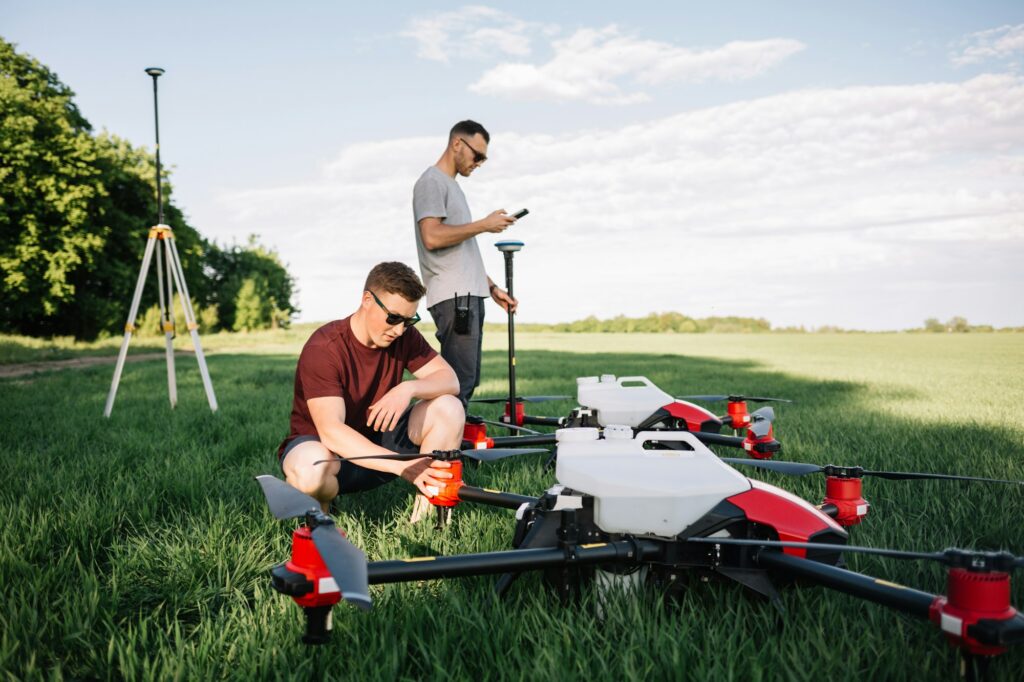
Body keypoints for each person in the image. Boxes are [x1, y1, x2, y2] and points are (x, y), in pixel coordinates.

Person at [277, 261, 465, 520]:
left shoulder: (404, 336)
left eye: (409, 321)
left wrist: (408, 388)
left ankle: (424, 520)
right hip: (328, 451)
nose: (399, 330)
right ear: (367, 300)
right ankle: (322, 515)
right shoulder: (324, 347)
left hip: (380, 441)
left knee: (449, 407)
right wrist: (403, 465)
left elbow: (450, 381)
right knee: (309, 472)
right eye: (393, 318)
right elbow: (331, 432)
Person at [413, 119, 519, 406]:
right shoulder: (431, 183)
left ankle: (449, 444)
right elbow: (432, 237)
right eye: (478, 155)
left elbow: (461, 252)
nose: (480, 163)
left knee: (465, 380)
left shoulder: (451, 187)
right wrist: (483, 225)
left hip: (468, 295)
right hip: (455, 298)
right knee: (457, 382)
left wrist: (494, 288)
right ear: (457, 144)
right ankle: (440, 447)